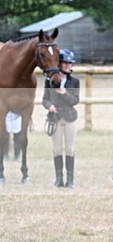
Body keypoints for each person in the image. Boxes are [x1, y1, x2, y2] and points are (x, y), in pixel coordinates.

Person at [42, 49, 80, 187]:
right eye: (66, 63)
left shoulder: (75, 82)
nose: (68, 66)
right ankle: (59, 178)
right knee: (57, 149)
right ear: (60, 64)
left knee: (69, 149)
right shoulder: (49, 81)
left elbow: (75, 100)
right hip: (55, 118)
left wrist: (64, 94)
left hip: (70, 118)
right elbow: (45, 99)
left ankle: (70, 179)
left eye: (70, 63)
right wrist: (49, 106)